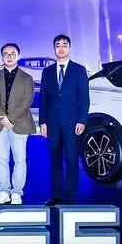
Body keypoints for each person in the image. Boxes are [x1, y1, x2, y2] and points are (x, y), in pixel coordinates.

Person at [38, 34, 90, 206]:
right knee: (55, 160)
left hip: (73, 123)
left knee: (72, 160)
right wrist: (42, 122)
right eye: (58, 45)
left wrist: (82, 120)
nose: (61, 48)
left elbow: (84, 98)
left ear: (69, 48)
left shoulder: (79, 70)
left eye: (64, 45)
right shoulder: (47, 72)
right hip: (52, 123)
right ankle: (56, 196)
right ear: (54, 48)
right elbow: (43, 99)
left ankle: (70, 194)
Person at [0, 42, 35, 205]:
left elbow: (27, 101)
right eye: (6, 54)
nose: (9, 57)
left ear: (18, 56)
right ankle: (3, 191)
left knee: (20, 160)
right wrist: (3, 118)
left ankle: (17, 192)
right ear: (2, 57)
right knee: (1, 159)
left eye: (13, 54)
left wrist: (10, 119)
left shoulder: (27, 78)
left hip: (19, 124)